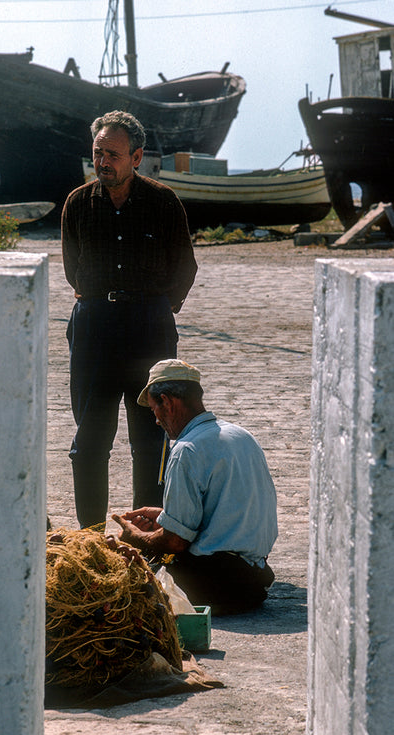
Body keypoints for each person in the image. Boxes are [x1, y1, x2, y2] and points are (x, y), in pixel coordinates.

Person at [62, 110, 198, 529]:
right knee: (89, 442)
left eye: (113, 155)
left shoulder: (163, 202)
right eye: (98, 152)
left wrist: (157, 309)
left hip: (149, 332)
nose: (103, 162)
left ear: (137, 157)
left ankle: (145, 538)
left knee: (150, 440)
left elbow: (185, 268)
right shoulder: (78, 204)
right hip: (94, 331)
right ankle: (91, 537)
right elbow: (72, 269)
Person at [112, 359, 278, 615]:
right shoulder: (241, 435)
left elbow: (175, 542)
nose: (156, 419)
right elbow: (224, 510)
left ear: (167, 402)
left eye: (155, 408)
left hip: (217, 583)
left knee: (125, 585)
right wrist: (165, 517)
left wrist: (136, 537)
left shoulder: (186, 450)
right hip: (255, 579)